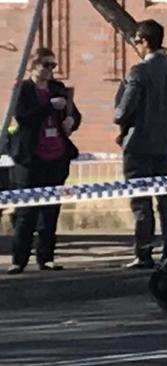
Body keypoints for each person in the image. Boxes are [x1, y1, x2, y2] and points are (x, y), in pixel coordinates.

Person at [114, 19, 167, 269]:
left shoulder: (139, 72)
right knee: (165, 198)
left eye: (137, 41)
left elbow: (122, 113)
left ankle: (143, 252)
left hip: (139, 145)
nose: (137, 46)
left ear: (144, 41)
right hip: (165, 144)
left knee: (141, 200)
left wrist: (120, 114)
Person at [7, 47, 81, 275]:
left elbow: (75, 114)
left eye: (53, 65)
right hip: (30, 157)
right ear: (33, 66)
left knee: (51, 210)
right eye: (45, 65)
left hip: (56, 155)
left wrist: (71, 120)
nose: (50, 70)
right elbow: (22, 117)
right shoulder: (23, 90)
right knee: (26, 211)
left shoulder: (58, 89)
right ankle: (19, 259)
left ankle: (46, 257)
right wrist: (49, 106)